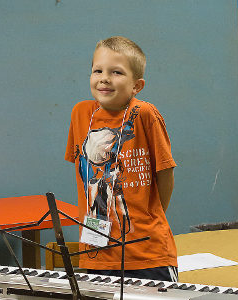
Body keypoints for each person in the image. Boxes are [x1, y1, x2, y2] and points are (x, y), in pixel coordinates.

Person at [65, 36, 178, 282]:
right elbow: (83, 171)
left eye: (116, 72)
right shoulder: (80, 113)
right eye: (98, 70)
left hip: (147, 252)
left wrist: (152, 215)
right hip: (98, 251)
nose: (104, 78)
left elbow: (165, 173)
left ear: (137, 85)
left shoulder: (145, 114)